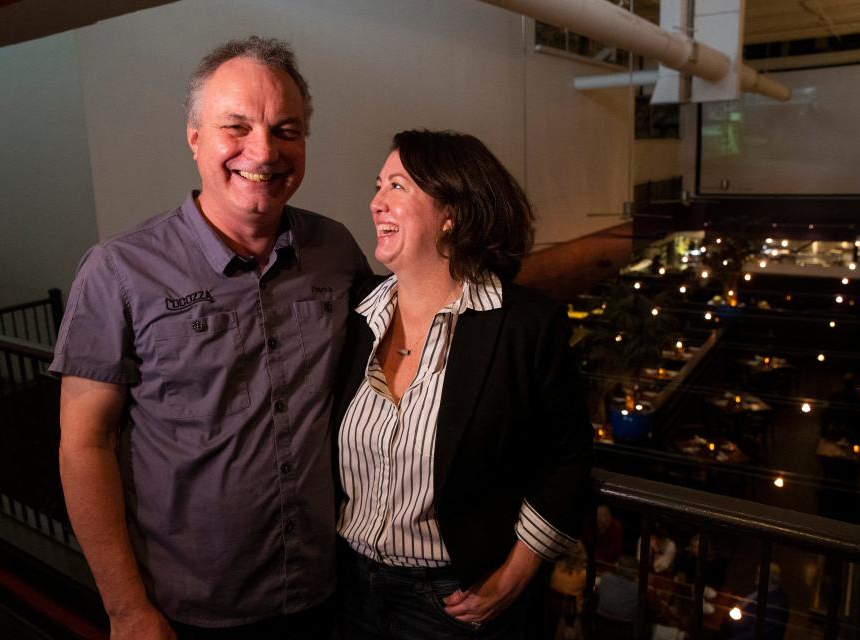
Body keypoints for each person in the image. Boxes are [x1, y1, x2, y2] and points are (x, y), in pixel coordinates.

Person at [51, 36, 370, 639]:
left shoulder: (335, 250)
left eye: (286, 130)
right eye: (237, 127)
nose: (264, 150)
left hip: (324, 591)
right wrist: (126, 609)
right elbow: (83, 447)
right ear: (194, 137)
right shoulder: (118, 271)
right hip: (187, 610)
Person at [332, 129, 592, 638]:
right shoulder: (355, 313)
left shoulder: (522, 325)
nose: (375, 203)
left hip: (451, 604)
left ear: (452, 213)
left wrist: (515, 575)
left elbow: (568, 458)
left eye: (397, 188)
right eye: (378, 185)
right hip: (346, 588)